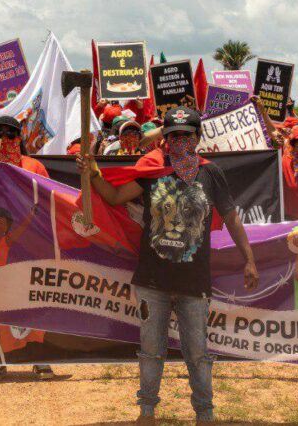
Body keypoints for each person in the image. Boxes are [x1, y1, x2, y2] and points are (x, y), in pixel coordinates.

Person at [77, 106, 259, 425]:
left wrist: (250, 259)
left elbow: (231, 217)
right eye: (173, 136)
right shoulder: (153, 171)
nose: (179, 142)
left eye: (186, 136)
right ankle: (147, 411)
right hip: (152, 280)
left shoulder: (211, 173)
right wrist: (92, 172)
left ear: (198, 138)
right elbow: (116, 197)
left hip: (194, 282)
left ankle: (205, 413)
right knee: (150, 350)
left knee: (198, 353)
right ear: (165, 139)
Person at [0, 115, 51, 381]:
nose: (5, 139)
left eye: (11, 135)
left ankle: (39, 357)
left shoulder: (34, 166)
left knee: (33, 297)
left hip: (29, 246)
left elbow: (49, 200)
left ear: (20, 138)